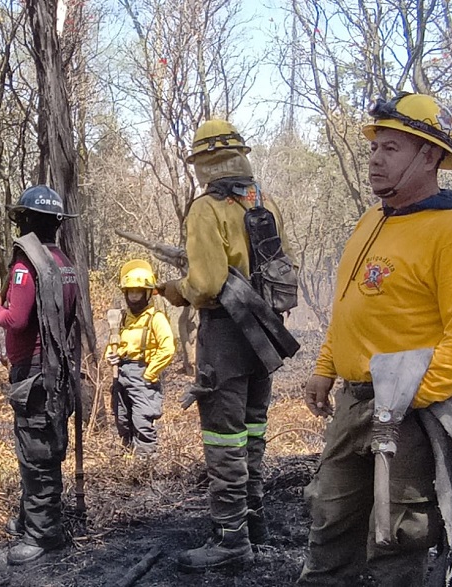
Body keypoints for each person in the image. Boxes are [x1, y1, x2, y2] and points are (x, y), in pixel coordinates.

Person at [299, 93, 452, 586]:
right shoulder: (372, 220)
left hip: (411, 413)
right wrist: (326, 368)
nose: (373, 159)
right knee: (328, 520)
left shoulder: (450, 229)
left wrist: (412, 399)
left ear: (429, 156)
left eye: (390, 148)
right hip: (354, 403)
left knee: (397, 538)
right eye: (374, 148)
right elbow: (350, 305)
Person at [157, 119, 294, 570]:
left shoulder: (205, 209)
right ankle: (254, 522)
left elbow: (208, 283)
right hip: (266, 335)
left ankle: (231, 540)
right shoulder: (264, 201)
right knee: (254, 428)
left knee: (223, 437)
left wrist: (178, 288)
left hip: (226, 334)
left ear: (203, 164)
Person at [0, 185, 79, 565]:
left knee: (36, 452)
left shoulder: (27, 267)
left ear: (25, 221)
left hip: (36, 376)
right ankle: (32, 518)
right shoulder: (64, 261)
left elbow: (17, 319)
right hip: (56, 370)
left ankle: (43, 535)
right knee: (44, 445)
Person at [105, 259, 175, 454]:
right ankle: (128, 463)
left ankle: (145, 468)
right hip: (121, 375)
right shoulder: (122, 318)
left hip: (143, 375)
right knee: (122, 421)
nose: (134, 296)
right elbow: (113, 344)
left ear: (147, 293)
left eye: (138, 292)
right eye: (130, 292)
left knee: (142, 422)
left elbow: (167, 348)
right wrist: (111, 356)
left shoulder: (156, 318)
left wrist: (149, 374)